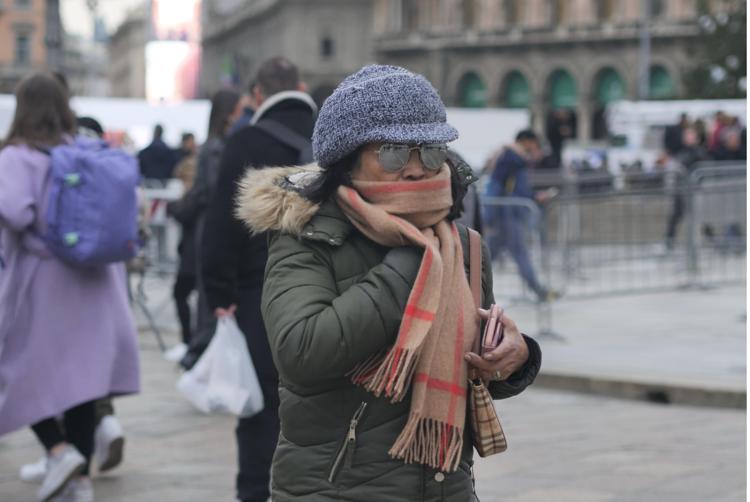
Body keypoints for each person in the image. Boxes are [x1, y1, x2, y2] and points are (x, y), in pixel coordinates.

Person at [234, 64, 541, 501]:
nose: (416, 169)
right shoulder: (308, 235)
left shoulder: (463, 246)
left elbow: (472, 372)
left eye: (430, 150)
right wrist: (415, 262)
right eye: (395, 152)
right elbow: (300, 350)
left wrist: (516, 357)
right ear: (348, 157)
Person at [0, 73, 140, 501]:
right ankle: (78, 481)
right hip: (94, 284)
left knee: (14, 368)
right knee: (83, 383)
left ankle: (59, 452)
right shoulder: (84, 151)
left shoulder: (17, 156)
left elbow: (17, 214)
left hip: (43, 282)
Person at [200, 57, 317, 502]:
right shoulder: (333, 137)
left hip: (258, 298)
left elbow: (219, 228)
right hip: (330, 296)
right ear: (302, 86)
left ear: (256, 97)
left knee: (261, 411)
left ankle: (257, 492)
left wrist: (220, 295)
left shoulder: (245, 141)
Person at [168, 89, 243, 368]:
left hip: (208, 224)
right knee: (208, 292)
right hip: (212, 225)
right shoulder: (216, 148)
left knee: (205, 290)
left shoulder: (212, 145)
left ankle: (200, 352)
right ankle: (201, 352)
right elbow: (211, 190)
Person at [484, 129, 556, 302]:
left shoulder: (508, 156)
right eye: (534, 143)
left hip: (504, 214)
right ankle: (539, 291)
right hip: (507, 215)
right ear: (526, 141)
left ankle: (467, 284)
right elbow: (514, 190)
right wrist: (535, 197)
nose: (536, 148)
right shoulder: (515, 159)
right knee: (517, 253)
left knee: (487, 257)